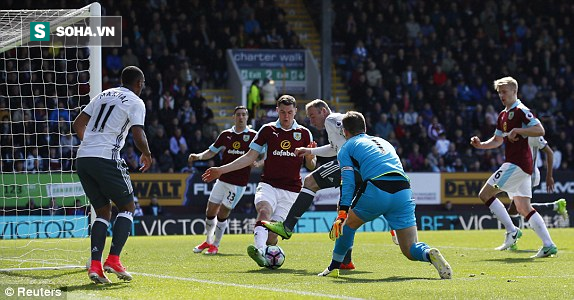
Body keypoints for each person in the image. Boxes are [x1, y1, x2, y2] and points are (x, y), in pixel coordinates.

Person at [262, 99, 398, 270]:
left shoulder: (332, 119)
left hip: (351, 164)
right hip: (361, 167)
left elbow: (350, 133)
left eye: (312, 116)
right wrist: (310, 151)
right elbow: (334, 149)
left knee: (310, 181)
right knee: (344, 212)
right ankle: (346, 260)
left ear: (323, 111)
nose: (311, 121)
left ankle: (287, 226)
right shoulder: (334, 129)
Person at [317, 111, 452, 279]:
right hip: (403, 190)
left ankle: (333, 267)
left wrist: (343, 211)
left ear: (344, 131)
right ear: (365, 127)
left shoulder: (346, 147)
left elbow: (348, 181)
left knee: (347, 225)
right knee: (410, 249)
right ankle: (428, 253)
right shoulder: (383, 141)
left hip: (378, 189)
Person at [202, 95, 316, 268]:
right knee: (264, 210)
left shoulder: (304, 133)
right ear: (277, 111)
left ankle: (269, 248)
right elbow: (248, 157)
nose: (286, 116)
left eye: (290, 112)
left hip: (292, 190)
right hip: (268, 184)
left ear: (295, 112)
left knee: (272, 236)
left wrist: (309, 156)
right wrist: (221, 170)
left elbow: (311, 165)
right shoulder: (267, 130)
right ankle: (260, 252)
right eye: (283, 112)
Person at [73, 66, 152, 284]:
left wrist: (90, 145)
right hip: (106, 157)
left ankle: (96, 266)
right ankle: (114, 260)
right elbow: (138, 133)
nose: (143, 87)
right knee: (127, 208)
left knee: (103, 212)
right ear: (139, 83)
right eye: (143, 83)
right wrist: (146, 153)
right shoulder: (136, 101)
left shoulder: (103, 94)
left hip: (83, 158)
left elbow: (78, 123)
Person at [470, 76, 557, 257]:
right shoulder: (503, 114)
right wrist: (481, 145)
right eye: (499, 92)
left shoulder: (521, 110)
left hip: (517, 164)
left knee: (484, 194)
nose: (501, 95)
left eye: (504, 92)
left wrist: (519, 130)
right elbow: (497, 140)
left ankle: (512, 231)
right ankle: (548, 244)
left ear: (514, 92)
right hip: (521, 166)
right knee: (524, 207)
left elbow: (540, 130)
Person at [189, 106, 257, 255]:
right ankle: (208, 241)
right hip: (222, 179)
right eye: (238, 114)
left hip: (238, 184)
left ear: (247, 117)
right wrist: (198, 156)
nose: (241, 117)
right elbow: (212, 151)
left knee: (223, 213)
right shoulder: (225, 135)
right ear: (233, 117)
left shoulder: (253, 136)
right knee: (210, 210)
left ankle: (216, 245)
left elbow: (264, 153)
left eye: (244, 115)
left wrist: (258, 162)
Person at [507, 137, 568, 235]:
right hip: (515, 175)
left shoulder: (533, 132)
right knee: (520, 208)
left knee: (516, 209)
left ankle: (513, 238)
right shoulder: (511, 129)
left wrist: (549, 176)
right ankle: (555, 206)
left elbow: (549, 152)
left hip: (529, 176)